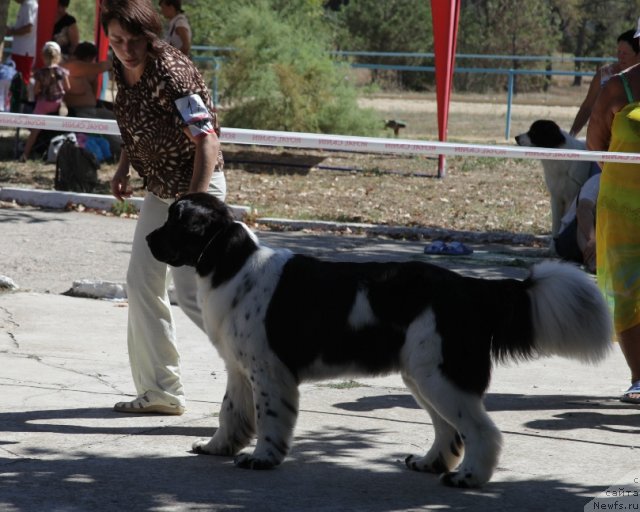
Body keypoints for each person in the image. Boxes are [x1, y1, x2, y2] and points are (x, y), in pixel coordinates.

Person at [101, 0, 225, 415]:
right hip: (160, 191)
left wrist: (195, 204)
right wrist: (123, 167)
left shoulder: (172, 72)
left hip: (197, 191)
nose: (126, 49)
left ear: (149, 35)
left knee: (195, 296)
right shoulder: (118, 66)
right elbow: (133, 121)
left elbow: (207, 141)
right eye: (117, 40)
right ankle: (161, 392)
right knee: (141, 282)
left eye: (134, 40)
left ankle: (262, 371)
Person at [586, 20, 640, 405]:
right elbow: (597, 148)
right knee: (627, 292)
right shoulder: (615, 89)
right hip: (623, 209)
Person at [570, 29, 640, 137]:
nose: (620, 57)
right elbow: (587, 107)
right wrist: (572, 135)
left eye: (625, 53)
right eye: (619, 52)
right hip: (603, 139)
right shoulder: (605, 75)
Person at [61, 42, 121, 157]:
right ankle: (121, 151)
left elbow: (94, 76)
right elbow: (100, 67)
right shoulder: (74, 66)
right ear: (88, 57)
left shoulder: (83, 69)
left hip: (92, 110)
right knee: (111, 136)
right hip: (80, 112)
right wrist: (116, 62)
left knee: (119, 117)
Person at [19, 41, 70, 162]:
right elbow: (68, 88)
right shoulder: (62, 72)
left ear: (43, 56)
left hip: (43, 104)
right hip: (57, 105)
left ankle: (25, 154)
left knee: (34, 131)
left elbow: (36, 90)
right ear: (58, 56)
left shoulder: (40, 73)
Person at [553, 172, 600, 274]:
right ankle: (593, 262)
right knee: (584, 219)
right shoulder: (597, 181)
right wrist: (594, 240)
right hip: (571, 240)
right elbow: (583, 210)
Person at [6, 0, 38, 85]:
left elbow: (28, 29)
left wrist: (12, 32)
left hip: (24, 51)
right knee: (16, 81)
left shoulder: (29, 4)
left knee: (22, 81)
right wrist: (12, 29)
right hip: (20, 50)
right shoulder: (25, 5)